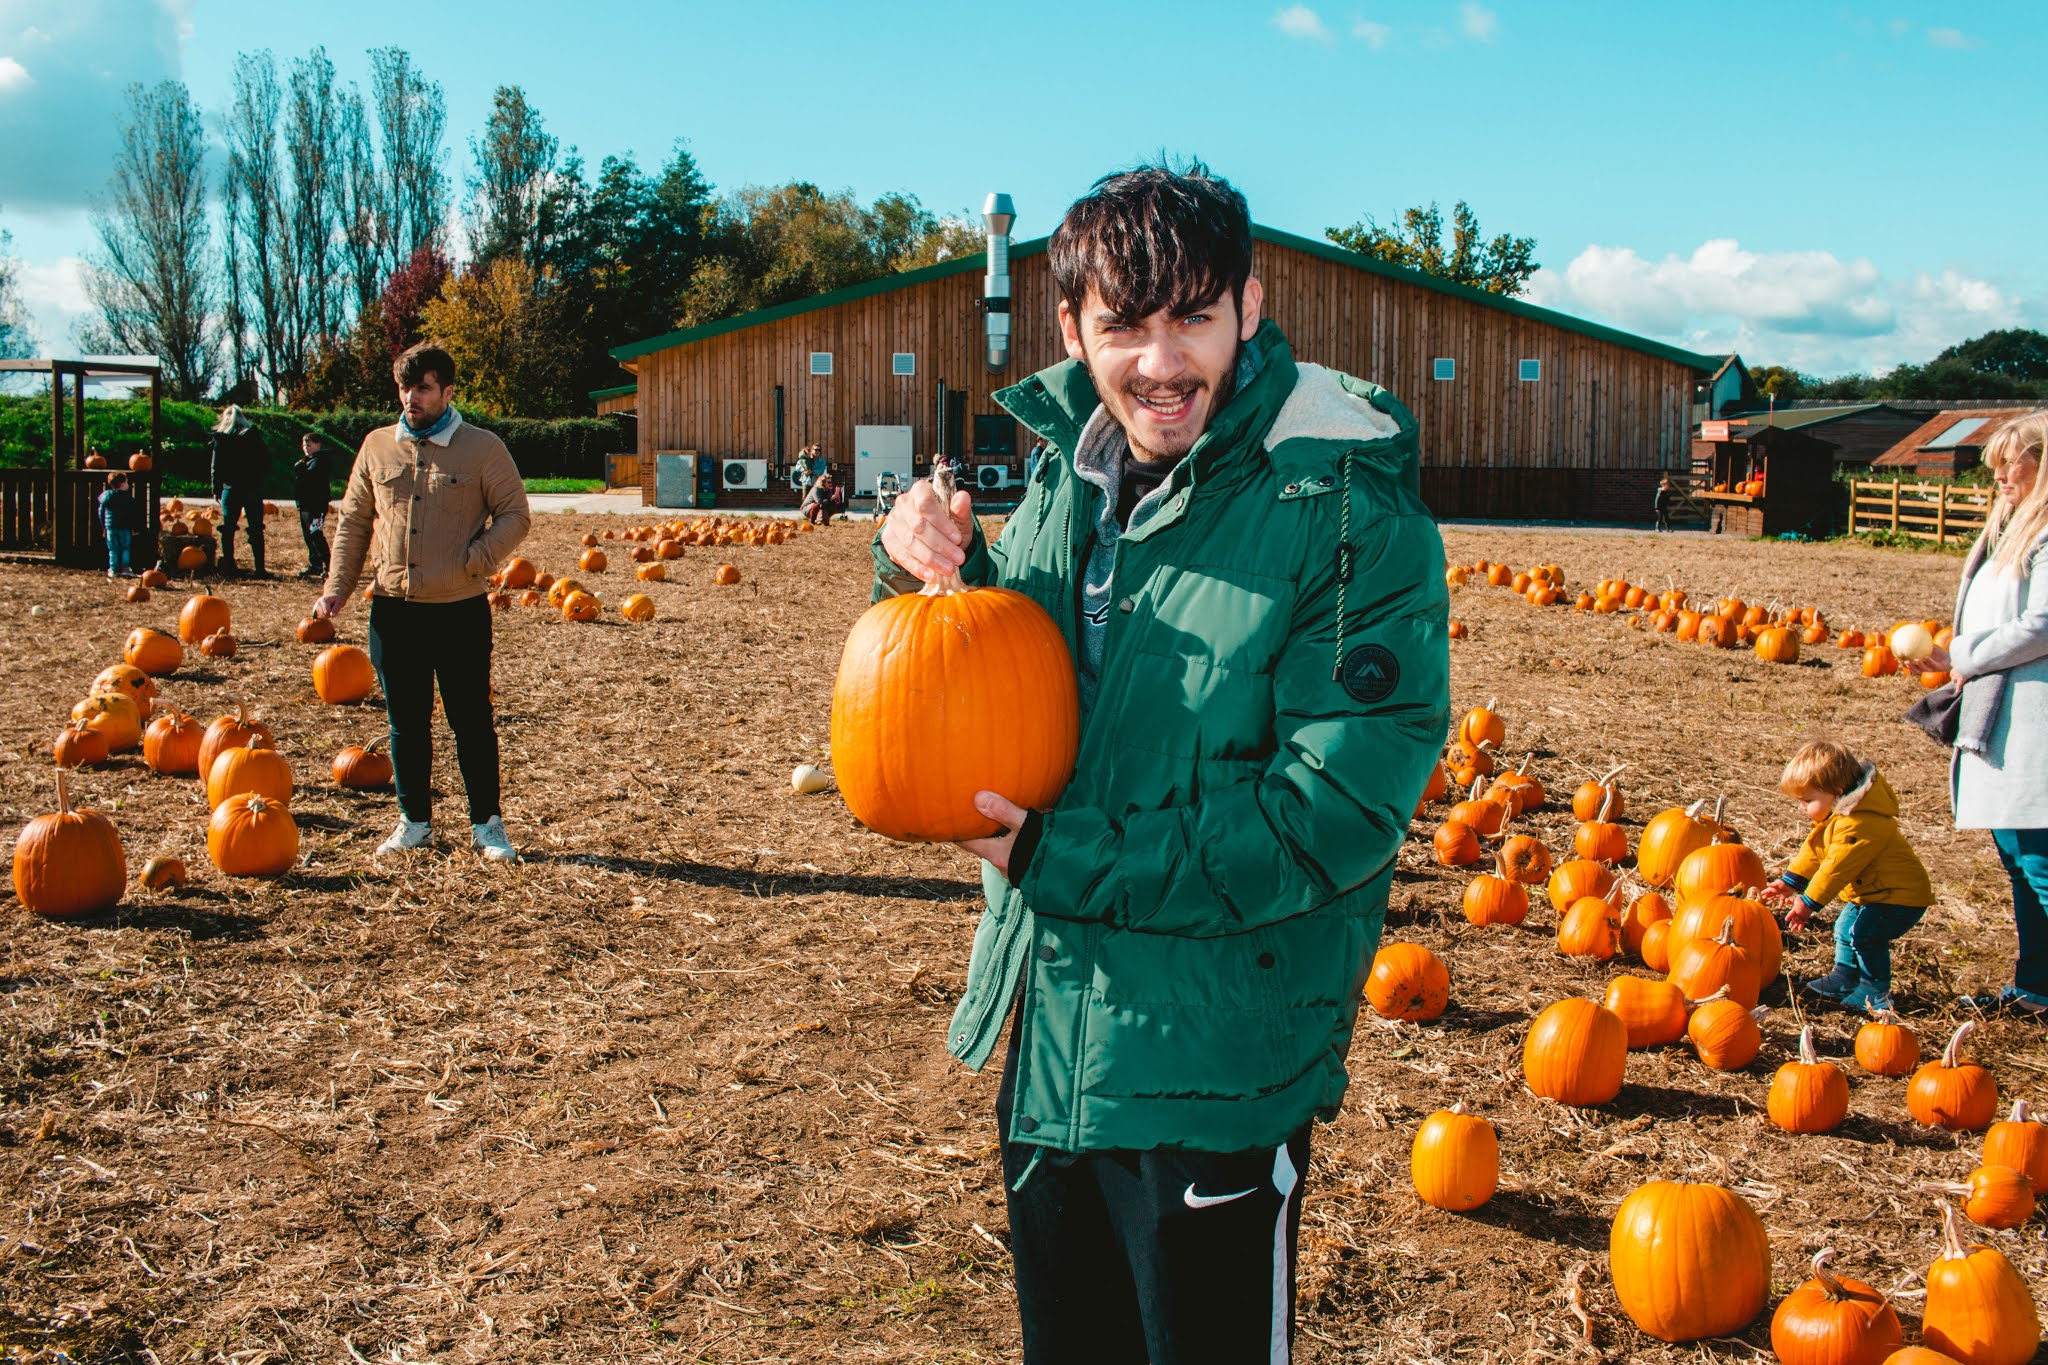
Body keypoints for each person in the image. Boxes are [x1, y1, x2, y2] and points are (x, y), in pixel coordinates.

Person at [873, 162, 1449, 1363]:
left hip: (1212, 1068)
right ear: (1070, 326)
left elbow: (1324, 815)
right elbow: (1005, 683)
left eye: (1191, 316)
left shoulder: (1344, 511)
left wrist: (1053, 854)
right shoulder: (1059, 482)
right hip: (1054, 1048)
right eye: (1124, 327)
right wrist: (919, 574)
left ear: (1248, 304)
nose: (1160, 363)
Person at [311, 342, 532, 862]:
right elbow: (354, 522)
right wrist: (336, 587)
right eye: (406, 387)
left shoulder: (481, 449)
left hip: (459, 609)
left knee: (471, 720)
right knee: (405, 722)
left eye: (424, 388)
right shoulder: (376, 447)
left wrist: (474, 560)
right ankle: (414, 822)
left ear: (447, 392)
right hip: (394, 609)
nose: (412, 397)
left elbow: (515, 515)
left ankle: (487, 825)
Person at [1911, 412, 2048, 1015]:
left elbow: (2041, 624)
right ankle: (2036, 985)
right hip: (2000, 717)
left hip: (2034, 720)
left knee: (2041, 862)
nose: (1997, 473)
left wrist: (1959, 653)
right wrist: (1955, 659)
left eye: (2010, 461)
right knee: (2018, 862)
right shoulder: (2010, 530)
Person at [1759, 740, 1933, 1013]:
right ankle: (1846, 976)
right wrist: (1789, 882)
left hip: (1899, 898)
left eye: (1807, 800)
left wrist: (1808, 903)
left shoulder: (1860, 823)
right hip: (1874, 894)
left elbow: (1834, 868)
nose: (1803, 808)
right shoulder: (1836, 818)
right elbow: (1815, 853)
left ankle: (1876, 991)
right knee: (1843, 928)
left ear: (1835, 792)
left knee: (1865, 934)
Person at [210, 405, 272, 576]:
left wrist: (216, 488)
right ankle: (260, 568)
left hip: (230, 488)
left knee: (228, 528)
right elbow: (266, 459)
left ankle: (229, 566)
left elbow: (216, 466)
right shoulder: (253, 436)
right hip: (251, 487)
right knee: (256, 528)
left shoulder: (221, 439)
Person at [293, 432, 336, 579]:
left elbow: (311, 480)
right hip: (305, 504)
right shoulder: (309, 460)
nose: (306, 448)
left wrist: (301, 471)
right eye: (304, 445)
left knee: (316, 534)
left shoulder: (320, 461)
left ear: (318, 445)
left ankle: (328, 566)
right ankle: (315, 565)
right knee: (308, 536)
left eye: (309, 445)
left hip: (316, 505)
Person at [98, 472, 136, 578]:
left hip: (111, 526)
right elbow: (132, 514)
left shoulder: (106, 496)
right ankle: (125, 568)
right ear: (123, 484)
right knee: (125, 548)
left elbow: (101, 511)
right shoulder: (128, 498)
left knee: (113, 549)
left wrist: (104, 526)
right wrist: (133, 527)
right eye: (127, 482)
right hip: (125, 527)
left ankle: (113, 569)